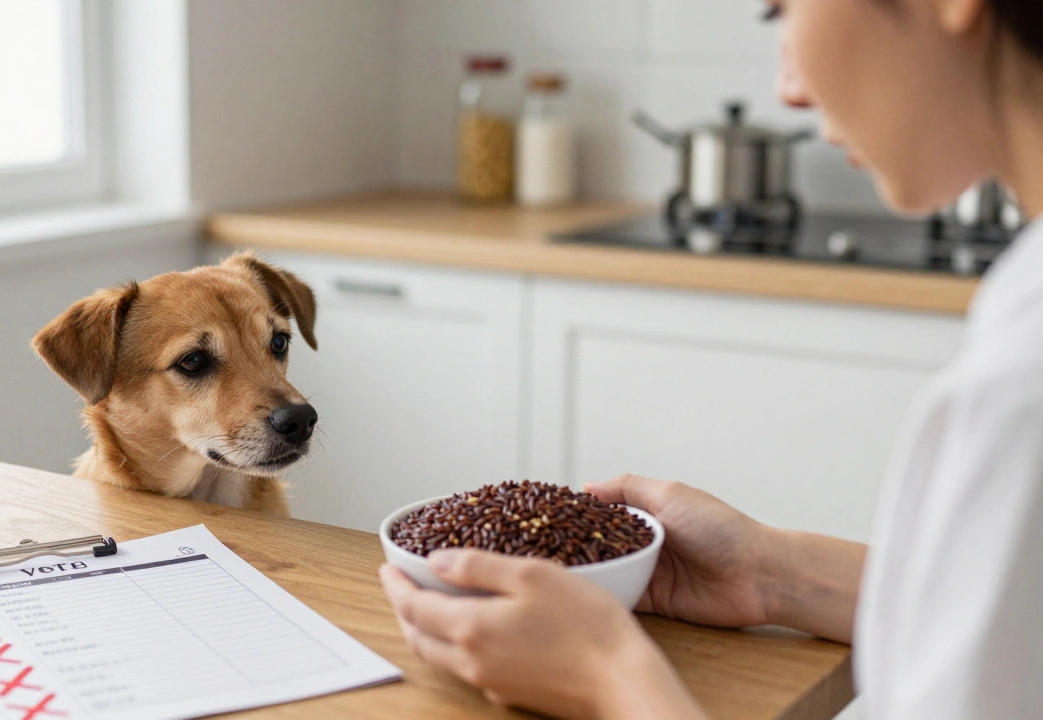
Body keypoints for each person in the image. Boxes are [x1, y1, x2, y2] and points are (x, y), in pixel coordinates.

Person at [379, 0, 1043, 717]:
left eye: (782, 11)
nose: (789, 87)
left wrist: (611, 677)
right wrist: (772, 575)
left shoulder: (1022, 382)